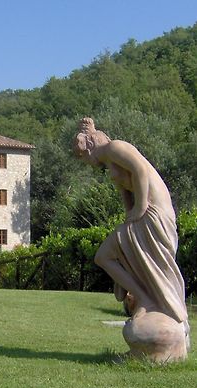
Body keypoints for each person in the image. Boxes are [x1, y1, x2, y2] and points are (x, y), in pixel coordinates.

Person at [73, 118, 189, 354]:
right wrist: (130, 216)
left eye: (83, 157)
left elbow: (139, 170)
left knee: (104, 255)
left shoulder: (116, 147)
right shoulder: (111, 161)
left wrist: (140, 208)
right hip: (142, 216)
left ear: (91, 147)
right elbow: (126, 192)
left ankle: (146, 299)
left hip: (153, 213)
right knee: (106, 256)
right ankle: (146, 299)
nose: (86, 163)